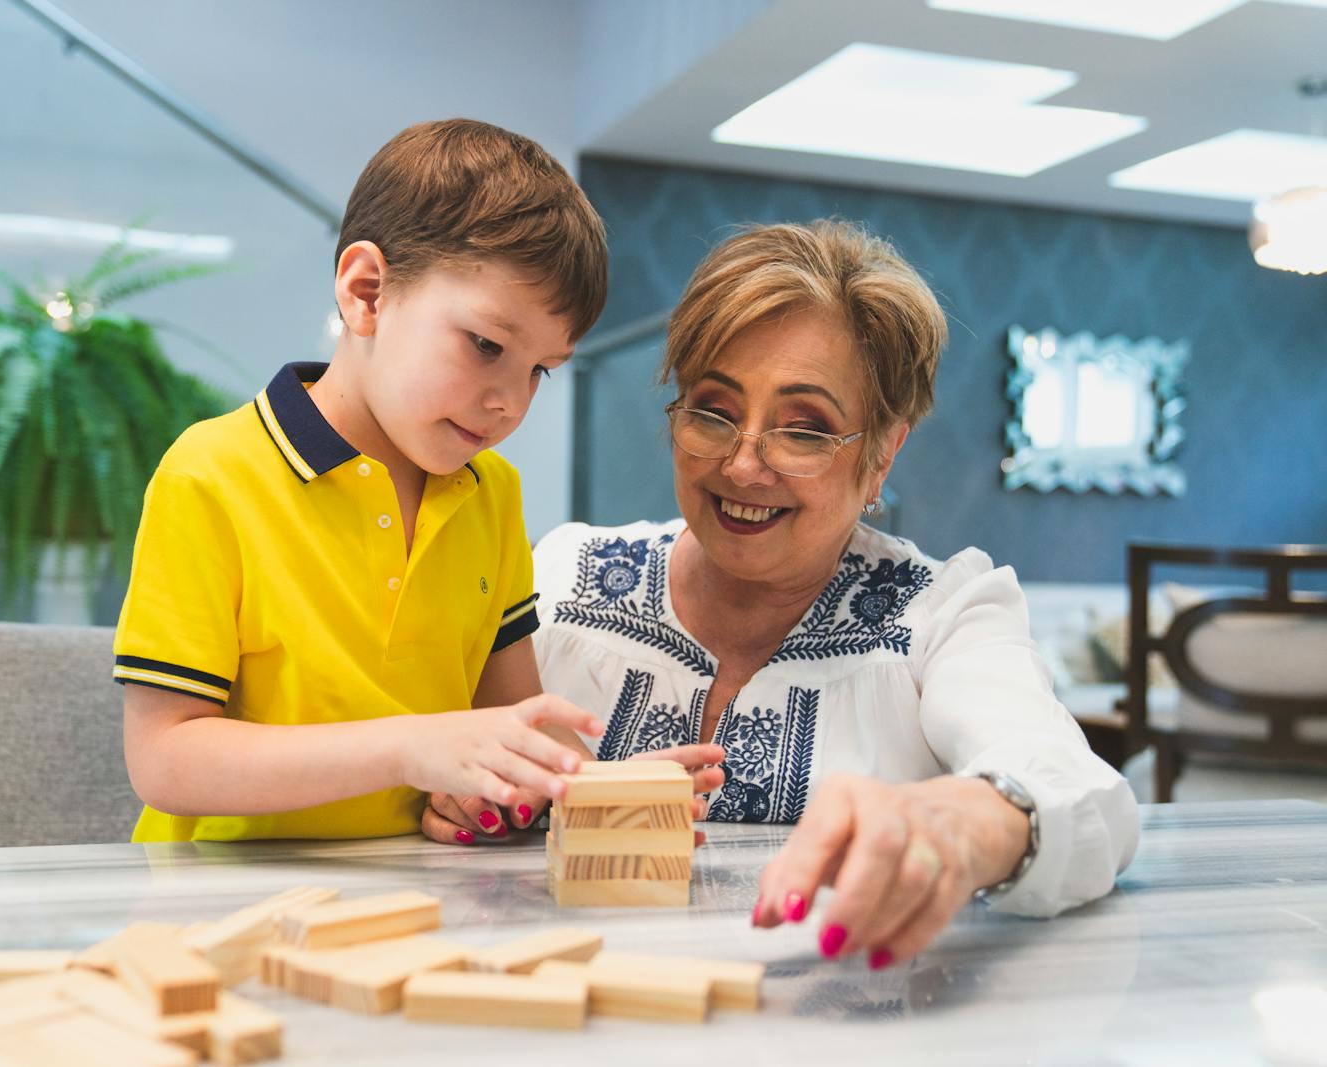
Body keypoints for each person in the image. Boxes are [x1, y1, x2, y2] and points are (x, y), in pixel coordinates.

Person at [527, 220, 1139, 968]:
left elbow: (1079, 793)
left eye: (805, 429)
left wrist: (964, 823)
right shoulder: (562, 580)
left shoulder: (942, 613)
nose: (744, 464)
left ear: (882, 454)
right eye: (714, 410)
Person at [114, 118, 677, 844]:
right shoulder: (209, 475)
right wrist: (413, 746)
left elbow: (508, 720)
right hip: (213, 912)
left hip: (415, 905)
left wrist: (593, 786)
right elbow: (164, 759)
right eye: (487, 345)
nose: (511, 400)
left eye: (539, 369)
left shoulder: (492, 493)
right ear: (367, 292)